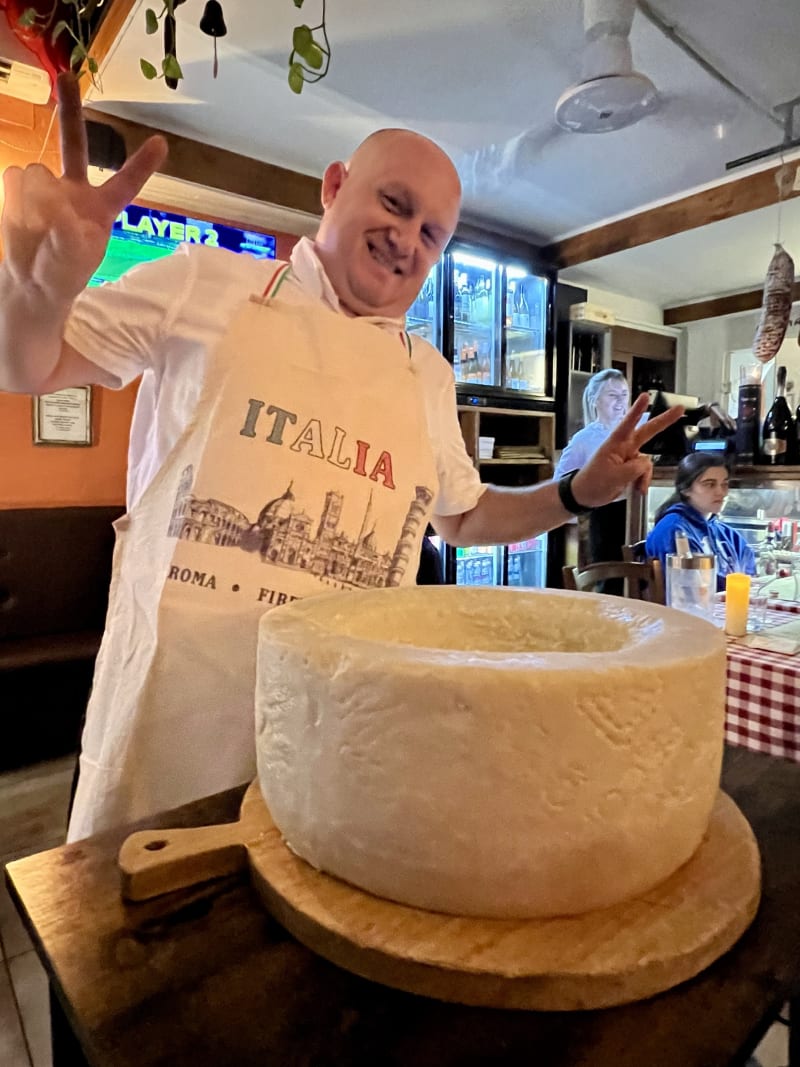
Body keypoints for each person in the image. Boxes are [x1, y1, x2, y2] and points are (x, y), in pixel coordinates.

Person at [0, 74, 681, 841]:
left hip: (340, 737)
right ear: (334, 187)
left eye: (432, 234)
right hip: (169, 733)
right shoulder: (203, 279)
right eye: (395, 204)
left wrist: (576, 492)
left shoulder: (427, 372)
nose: (406, 239)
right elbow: (29, 367)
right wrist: (31, 292)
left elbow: (460, 518)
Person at [554, 369, 641, 586]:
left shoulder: (637, 431)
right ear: (595, 401)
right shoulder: (584, 439)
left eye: (624, 394)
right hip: (606, 517)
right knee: (612, 582)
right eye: (612, 395)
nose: (620, 401)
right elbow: (559, 483)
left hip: (637, 516)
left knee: (638, 582)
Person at [645, 452, 755, 589]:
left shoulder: (726, 533)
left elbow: (750, 569)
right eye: (709, 484)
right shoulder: (674, 530)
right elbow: (689, 586)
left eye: (725, 484)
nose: (721, 492)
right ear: (685, 489)